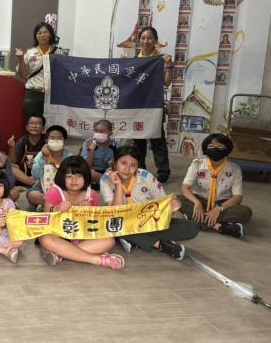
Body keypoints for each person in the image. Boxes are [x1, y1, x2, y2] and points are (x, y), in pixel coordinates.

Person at [100, 146, 199, 260]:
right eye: (123, 163)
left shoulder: (145, 177)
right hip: (123, 222)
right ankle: (159, 244)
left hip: (149, 222)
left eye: (133, 165)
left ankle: (135, 239)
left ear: (138, 166)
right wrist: (118, 185)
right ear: (114, 163)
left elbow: (163, 207)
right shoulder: (105, 180)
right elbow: (116, 214)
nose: (127, 169)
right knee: (114, 226)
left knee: (192, 227)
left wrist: (172, 208)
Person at [38, 156, 125, 270]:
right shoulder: (54, 192)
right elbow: (45, 222)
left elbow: (93, 227)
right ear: (62, 177)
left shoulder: (91, 194)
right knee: (45, 238)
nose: (74, 180)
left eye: (79, 176)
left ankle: (62, 254)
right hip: (58, 236)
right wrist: (55, 210)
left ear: (86, 177)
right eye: (69, 176)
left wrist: (88, 213)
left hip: (81, 238)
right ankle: (97, 259)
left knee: (109, 240)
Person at [179, 134, 252, 238]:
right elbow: (184, 188)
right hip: (199, 200)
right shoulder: (197, 164)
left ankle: (195, 219)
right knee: (176, 200)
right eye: (211, 146)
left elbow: (238, 197)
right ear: (205, 149)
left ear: (227, 149)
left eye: (220, 146)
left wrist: (218, 209)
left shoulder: (235, 169)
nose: (215, 149)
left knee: (246, 212)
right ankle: (220, 226)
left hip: (222, 204)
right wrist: (196, 202)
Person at [133, 27, 173, 183]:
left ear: (155, 40)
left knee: (157, 140)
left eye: (149, 38)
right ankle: (140, 168)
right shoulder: (134, 59)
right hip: (136, 105)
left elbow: (166, 83)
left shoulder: (160, 59)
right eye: (143, 38)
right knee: (138, 139)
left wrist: (169, 66)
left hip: (154, 105)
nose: (146, 41)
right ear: (139, 40)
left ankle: (163, 171)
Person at [15, 22, 59, 120]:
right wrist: (21, 59)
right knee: (33, 124)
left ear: (50, 34)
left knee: (51, 124)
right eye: (39, 33)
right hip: (33, 94)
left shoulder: (59, 53)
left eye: (45, 32)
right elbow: (23, 75)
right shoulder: (30, 53)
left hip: (52, 95)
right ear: (36, 36)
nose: (42, 35)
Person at [26, 125, 74, 209]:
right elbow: (36, 175)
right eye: (52, 138)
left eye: (59, 138)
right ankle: (56, 205)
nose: (55, 141)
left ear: (64, 141)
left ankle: (48, 205)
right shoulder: (41, 155)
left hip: (64, 187)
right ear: (46, 141)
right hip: (43, 186)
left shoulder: (69, 156)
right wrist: (45, 158)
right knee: (32, 195)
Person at [7, 114, 46, 187]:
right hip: (24, 175)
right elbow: (13, 160)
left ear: (43, 128)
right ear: (27, 127)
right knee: (10, 166)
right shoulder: (23, 141)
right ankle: (32, 183)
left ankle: (36, 183)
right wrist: (12, 147)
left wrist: (36, 165)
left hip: (41, 173)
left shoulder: (46, 141)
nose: (34, 126)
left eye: (38, 124)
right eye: (32, 123)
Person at [81, 119, 115, 187]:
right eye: (96, 131)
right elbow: (86, 166)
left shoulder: (114, 145)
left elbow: (115, 165)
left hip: (107, 172)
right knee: (88, 172)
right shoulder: (88, 143)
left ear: (110, 133)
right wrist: (92, 150)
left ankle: (104, 181)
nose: (98, 134)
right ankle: (104, 181)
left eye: (102, 131)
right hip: (92, 171)